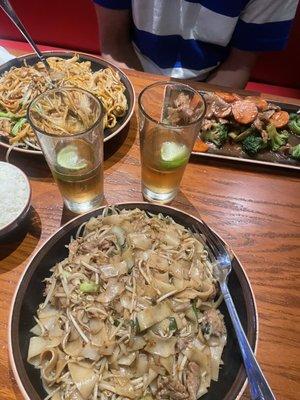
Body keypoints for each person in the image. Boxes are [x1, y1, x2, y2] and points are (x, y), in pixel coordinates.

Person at [94, 0, 298, 89]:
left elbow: (238, 65)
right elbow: (114, 43)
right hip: (133, 72)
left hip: (211, 84)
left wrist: (193, 117)